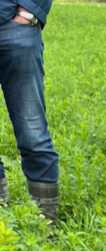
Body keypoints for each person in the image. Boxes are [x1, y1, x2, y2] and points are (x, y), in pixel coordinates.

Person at [0, 1, 59, 222]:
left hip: (16, 27)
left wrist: (29, 12)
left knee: (33, 133)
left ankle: (43, 227)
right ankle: (3, 229)